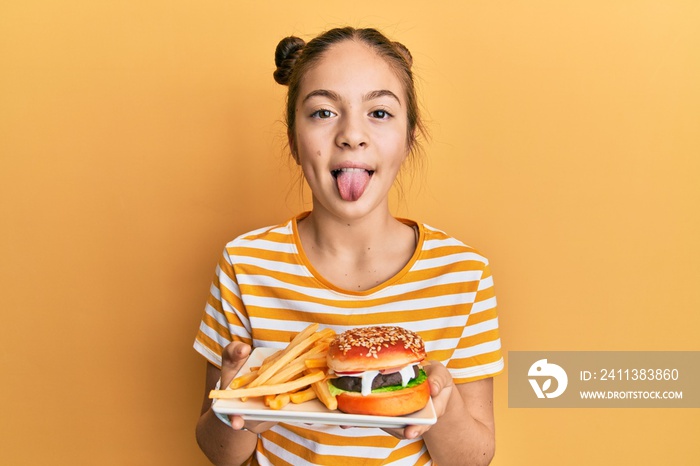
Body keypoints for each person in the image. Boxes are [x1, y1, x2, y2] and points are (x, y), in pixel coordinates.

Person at [194, 26, 503, 466]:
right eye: (322, 113)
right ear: (293, 139)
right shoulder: (245, 264)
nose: (351, 135)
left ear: (409, 136)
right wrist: (238, 406)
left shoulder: (463, 274)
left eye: (379, 113)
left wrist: (440, 400)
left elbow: (476, 458)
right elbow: (219, 454)